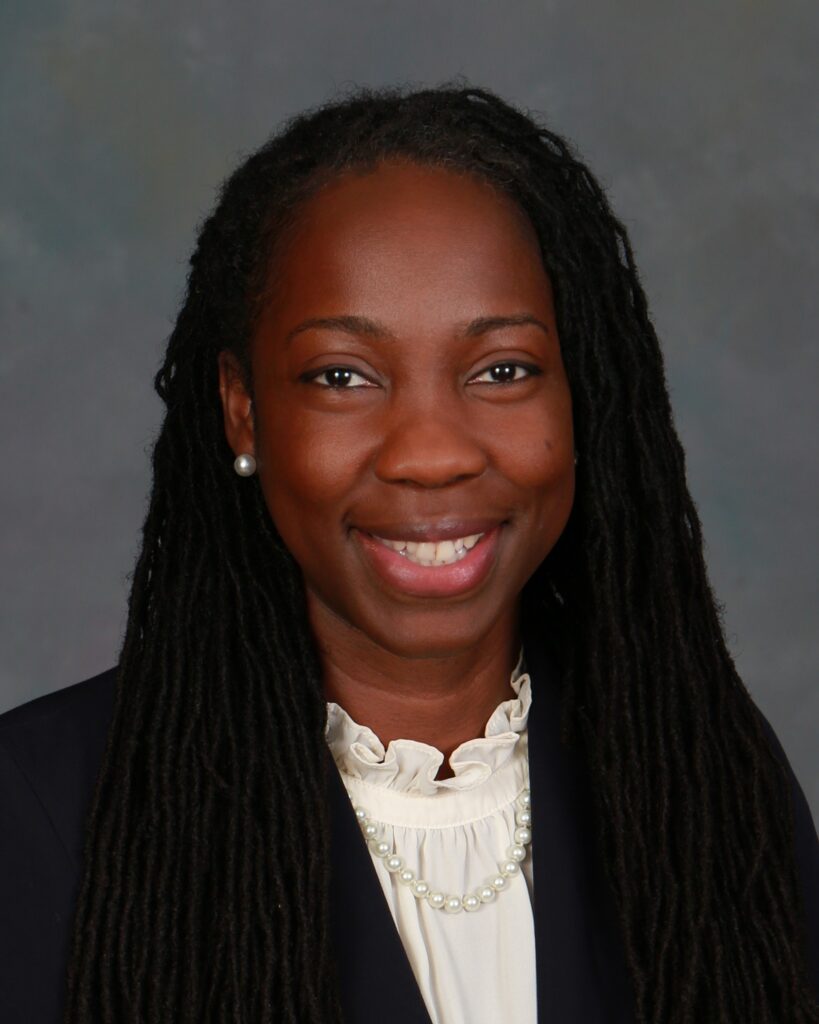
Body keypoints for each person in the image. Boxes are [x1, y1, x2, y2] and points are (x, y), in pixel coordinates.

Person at [0, 82, 816, 1024]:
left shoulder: (704, 779)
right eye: (342, 376)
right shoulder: (41, 809)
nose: (431, 454)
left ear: (580, 395)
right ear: (243, 408)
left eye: (502, 370)